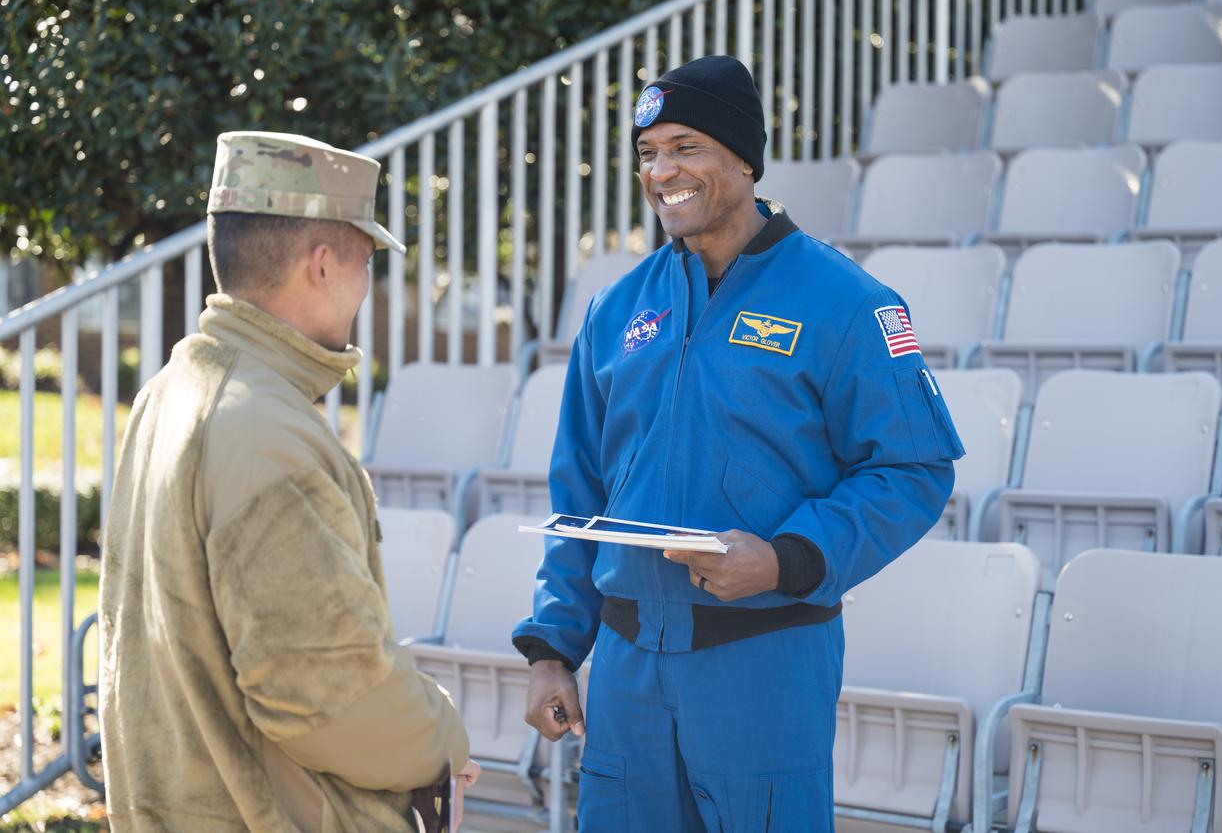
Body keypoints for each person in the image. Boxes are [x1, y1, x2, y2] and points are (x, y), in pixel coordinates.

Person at [512, 56, 965, 831]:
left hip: (764, 662)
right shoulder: (615, 309)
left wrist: (786, 557)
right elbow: (579, 492)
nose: (663, 172)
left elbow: (912, 469)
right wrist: (553, 646)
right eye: (648, 153)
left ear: (744, 158)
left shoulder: (846, 302)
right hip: (627, 674)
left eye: (685, 145)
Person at [99, 131, 478, 832]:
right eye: (368, 260)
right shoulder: (265, 432)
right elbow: (329, 693)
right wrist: (441, 739)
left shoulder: (172, 390)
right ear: (323, 264)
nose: (370, 286)